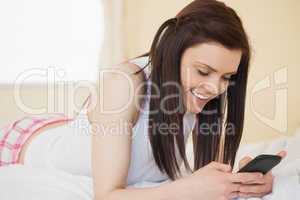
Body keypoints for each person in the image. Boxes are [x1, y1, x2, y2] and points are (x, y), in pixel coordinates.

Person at [0, 0, 287, 200]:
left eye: (226, 77)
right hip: (26, 143)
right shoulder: (124, 84)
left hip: (90, 134)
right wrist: (184, 192)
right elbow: (108, 196)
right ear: (174, 51)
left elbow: (202, 173)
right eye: (204, 71)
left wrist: (241, 181)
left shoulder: (196, 93)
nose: (215, 88)